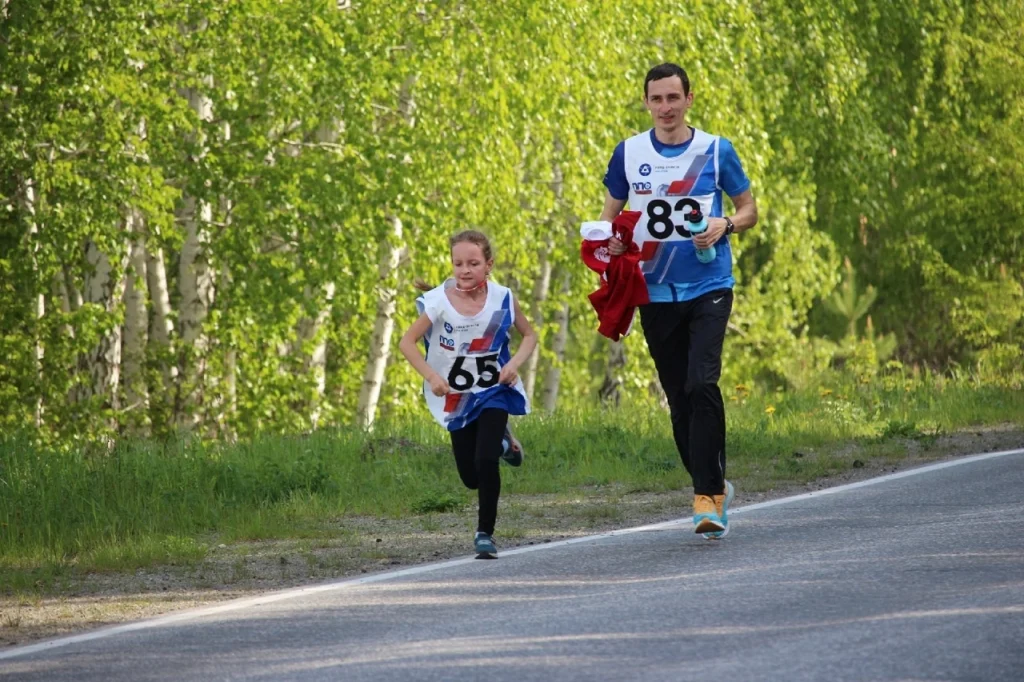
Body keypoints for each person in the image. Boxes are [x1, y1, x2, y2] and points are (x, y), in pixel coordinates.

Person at [599, 62, 758, 538]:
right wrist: (613, 245)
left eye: (674, 98)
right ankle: (711, 481)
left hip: (709, 284)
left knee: (701, 382)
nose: (665, 108)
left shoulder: (715, 150)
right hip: (654, 290)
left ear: (689, 99)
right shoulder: (628, 154)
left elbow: (748, 209)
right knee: (678, 396)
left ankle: (706, 499)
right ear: (646, 103)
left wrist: (724, 224)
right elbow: (607, 225)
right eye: (657, 99)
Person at [399, 230, 537, 558]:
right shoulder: (438, 303)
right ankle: (506, 444)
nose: (465, 269)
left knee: (485, 459)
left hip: (494, 390)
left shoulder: (503, 297)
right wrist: (431, 376)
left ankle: (484, 534)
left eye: (473, 263)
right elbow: (406, 343)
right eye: (458, 263)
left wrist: (515, 363)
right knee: (470, 477)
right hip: (455, 396)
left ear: (488, 265)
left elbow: (530, 334)